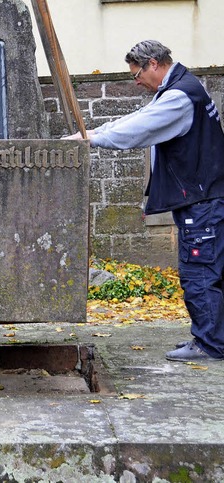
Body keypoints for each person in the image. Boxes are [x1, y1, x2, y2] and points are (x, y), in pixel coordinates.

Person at [65, 40, 224, 363]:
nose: (136, 81)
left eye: (137, 74)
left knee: (199, 271)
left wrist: (91, 139)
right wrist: (92, 131)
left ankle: (210, 344)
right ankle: (210, 336)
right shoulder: (179, 88)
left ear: (153, 64)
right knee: (206, 268)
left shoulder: (179, 97)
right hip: (204, 197)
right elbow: (136, 118)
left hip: (202, 200)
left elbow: (136, 131)